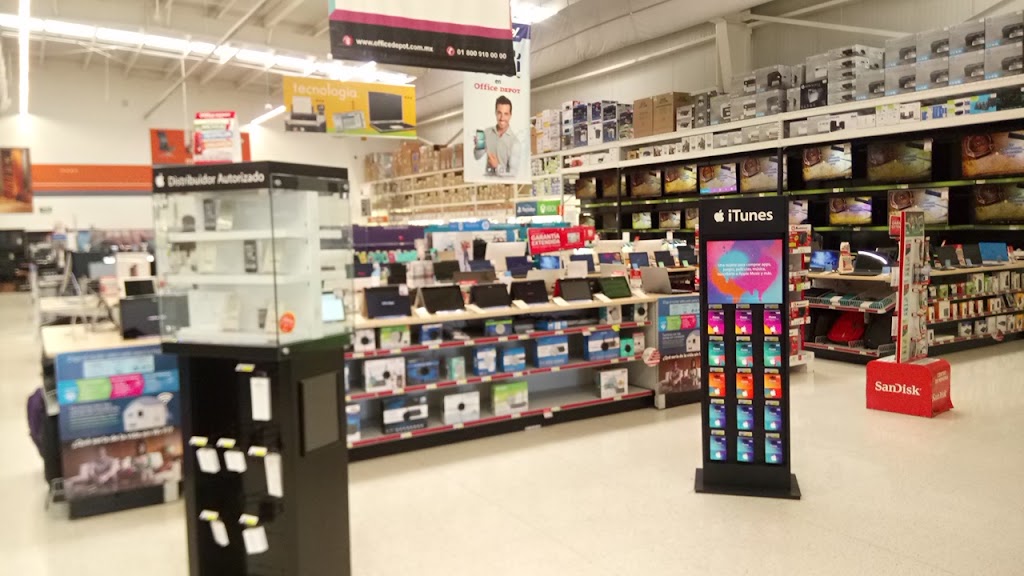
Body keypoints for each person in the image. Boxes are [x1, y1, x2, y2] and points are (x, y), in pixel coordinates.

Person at [474, 95, 521, 177]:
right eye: (499, 113)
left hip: (504, 184)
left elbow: (513, 175)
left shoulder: (515, 142)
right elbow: (477, 156)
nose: (502, 118)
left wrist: (497, 166)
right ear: (495, 113)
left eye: (506, 114)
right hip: (487, 182)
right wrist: (479, 147)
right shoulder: (487, 132)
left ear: (510, 115)